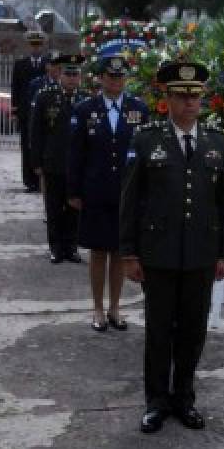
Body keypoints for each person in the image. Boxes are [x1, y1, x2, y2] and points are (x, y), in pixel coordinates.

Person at [118, 61, 224, 434]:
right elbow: (130, 201)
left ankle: (184, 398)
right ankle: (156, 401)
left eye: (195, 96)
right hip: (159, 253)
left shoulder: (217, 142)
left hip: (200, 254)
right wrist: (129, 253)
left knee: (193, 331)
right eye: (182, 96)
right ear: (166, 98)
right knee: (158, 331)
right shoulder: (146, 140)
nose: (190, 104)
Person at [67, 56, 150, 332]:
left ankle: (115, 307)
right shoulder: (84, 109)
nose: (116, 81)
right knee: (98, 252)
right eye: (110, 77)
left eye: (120, 77)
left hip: (127, 193)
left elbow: (144, 155)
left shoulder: (139, 109)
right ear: (100, 78)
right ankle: (98, 308)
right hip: (96, 191)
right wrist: (74, 191)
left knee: (120, 252)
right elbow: (75, 155)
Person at [30, 54, 90, 264]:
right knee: (54, 208)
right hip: (53, 161)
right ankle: (56, 248)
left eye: (76, 74)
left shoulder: (86, 100)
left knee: (74, 208)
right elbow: (36, 131)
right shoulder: (45, 97)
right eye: (68, 74)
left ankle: (71, 247)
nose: (72, 78)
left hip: (77, 165)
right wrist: (36, 162)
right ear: (60, 74)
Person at [12, 31, 49, 192]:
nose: (36, 48)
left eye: (38, 45)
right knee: (26, 147)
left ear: (42, 46)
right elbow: (15, 89)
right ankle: (29, 181)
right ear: (29, 46)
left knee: (42, 147)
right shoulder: (20, 64)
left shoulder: (48, 64)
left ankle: (42, 181)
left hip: (44, 112)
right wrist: (15, 111)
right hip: (26, 114)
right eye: (33, 45)